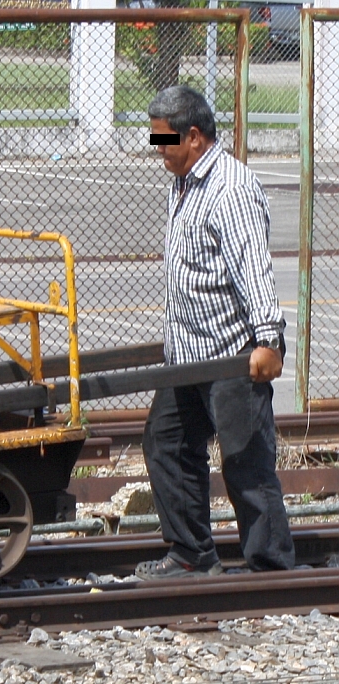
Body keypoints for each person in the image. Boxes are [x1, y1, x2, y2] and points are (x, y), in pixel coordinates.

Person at [135, 85, 295, 579]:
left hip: (230, 354)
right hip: (187, 355)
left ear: (194, 137)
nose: (158, 150)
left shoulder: (230, 188)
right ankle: (191, 555)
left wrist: (268, 340)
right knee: (166, 444)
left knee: (246, 464)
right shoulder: (185, 181)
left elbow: (252, 268)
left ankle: (271, 570)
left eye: (164, 140)